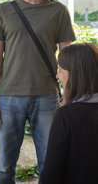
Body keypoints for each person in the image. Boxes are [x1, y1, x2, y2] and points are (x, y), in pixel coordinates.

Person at [0, 0, 76, 183]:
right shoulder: (3, 11)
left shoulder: (58, 11)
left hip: (47, 97)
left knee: (50, 164)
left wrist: (69, 95)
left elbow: (67, 58)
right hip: (8, 98)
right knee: (5, 167)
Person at [40, 43, 98, 184]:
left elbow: (51, 174)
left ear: (74, 74)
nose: (57, 76)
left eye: (60, 70)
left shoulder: (66, 116)